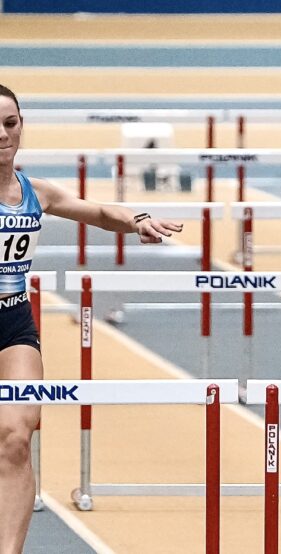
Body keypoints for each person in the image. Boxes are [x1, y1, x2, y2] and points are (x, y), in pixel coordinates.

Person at [0, 84, 183, 553]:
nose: (3, 134)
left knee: (16, 438)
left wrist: (138, 218)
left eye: (10, 123)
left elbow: (100, 212)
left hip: (12, 325)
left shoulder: (34, 191)